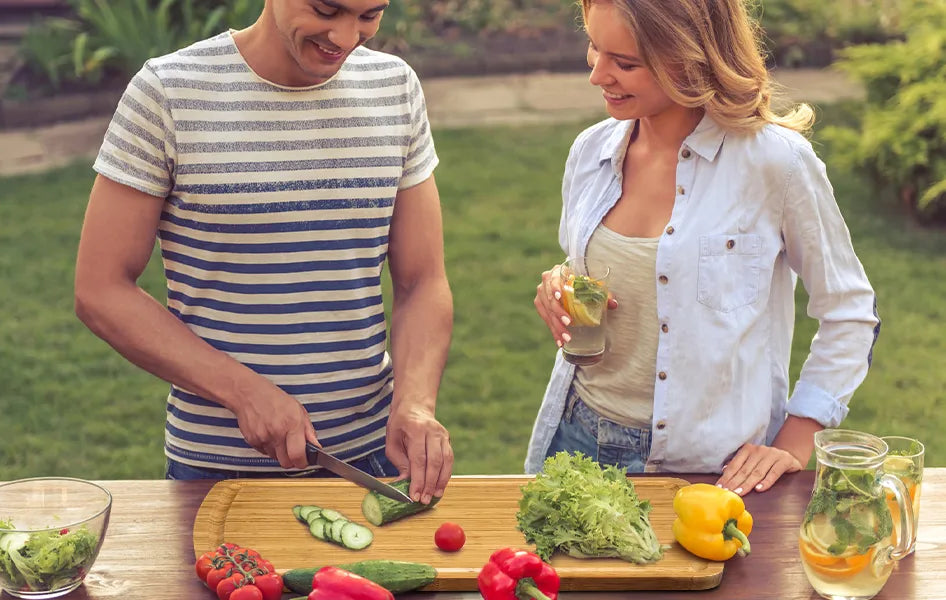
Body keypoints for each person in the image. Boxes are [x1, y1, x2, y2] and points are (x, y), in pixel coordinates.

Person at [73, 0, 453, 504]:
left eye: (369, 15)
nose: (345, 37)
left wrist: (416, 404)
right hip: (216, 470)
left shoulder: (395, 88)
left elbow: (422, 280)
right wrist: (242, 392)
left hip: (371, 459)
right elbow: (101, 289)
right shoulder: (168, 93)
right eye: (326, 10)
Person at [528, 0, 880, 496]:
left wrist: (798, 438)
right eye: (594, 48)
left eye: (624, 63)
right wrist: (560, 287)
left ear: (690, 58)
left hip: (712, 469)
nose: (598, 75)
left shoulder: (775, 164)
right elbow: (606, 269)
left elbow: (850, 311)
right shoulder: (591, 151)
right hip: (574, 440)